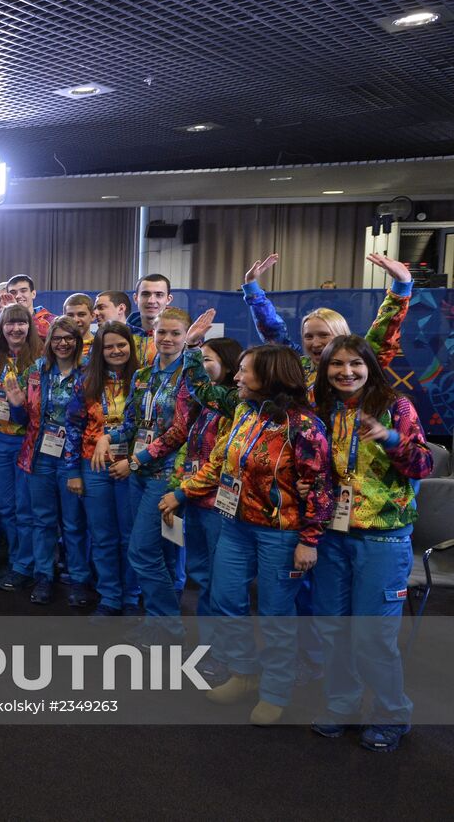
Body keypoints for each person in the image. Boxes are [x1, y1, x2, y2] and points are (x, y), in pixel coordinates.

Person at [161, 344, 334, 725]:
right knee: (225, 599)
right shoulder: (244, 411)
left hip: (281, 534)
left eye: (244, 371)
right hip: (236, 525)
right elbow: (220, 464)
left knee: (275, 614)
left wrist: (310, 539)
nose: (236, 377)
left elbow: (320, 488)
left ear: (270, 376)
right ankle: (243, 673)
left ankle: (275, 689)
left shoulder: (304, 426)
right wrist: (182, 491)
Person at [310, 336, 432, 751]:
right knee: (333, 628)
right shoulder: (323, 408)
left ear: (370, 366)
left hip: (383, 538)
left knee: (372, 636)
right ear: (325, 369)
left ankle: (390, 714)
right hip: (332, 536)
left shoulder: (394, 406)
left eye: (355, 364)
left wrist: (388, 437)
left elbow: (424, 463)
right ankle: (342, 705)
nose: (346, 372)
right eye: (336, 365)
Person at [117, 307, 195, 639]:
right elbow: (132, 424)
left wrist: (135, 460)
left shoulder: (190, 376)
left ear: (187, 337)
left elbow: (180, 431)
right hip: (139, 474)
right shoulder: (143, 376)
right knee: (157, 549)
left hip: (168, 475)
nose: (167, 338)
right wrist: (111, 438)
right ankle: (157, 618)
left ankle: (168, 624)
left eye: (176, 333)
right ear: (153, 334)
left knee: (144, 550)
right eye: (162, 332)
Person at [169, 334, 242, 681]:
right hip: (197, 500)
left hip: (217, 504)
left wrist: (180, 493)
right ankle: (208, 646)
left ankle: (222, 654)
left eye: (208, 358)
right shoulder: (207, 406)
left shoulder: (231, 405)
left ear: (229, 366)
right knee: (201, 577)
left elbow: (218, 463)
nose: (201, 365)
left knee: (218, 582)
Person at [5, 317, 89, 605]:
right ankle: (43, 576)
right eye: (57, 338)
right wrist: (16, 405)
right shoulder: (37, 371)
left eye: (69, 338)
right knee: (42, 520)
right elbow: (23, 419)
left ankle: (78, 579)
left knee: (74, 523)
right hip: (39, 455)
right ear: (49, 342)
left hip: (73, 459)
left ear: (77, 341)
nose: (63, 343)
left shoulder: (88, 372)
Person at [241, 252, 411, 389]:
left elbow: (383, 331)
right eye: (308, 336)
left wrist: (402, 285)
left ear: (341, 335)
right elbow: (273, 331)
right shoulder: (298, 364)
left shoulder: (360, 362)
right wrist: (251, 286)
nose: (315, 343)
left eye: (323, 335)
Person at [66, 321, 141, 619]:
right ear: (99, 350)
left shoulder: (143, 379)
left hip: (130, 466)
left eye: (121, 345)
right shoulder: (85, 381)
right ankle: (109, 596)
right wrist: (73, 471)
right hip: (92, 466)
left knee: (130, 536)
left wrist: (133, 461)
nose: (115, 350)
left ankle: (131, 596)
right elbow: (73, 427)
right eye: (108, 346)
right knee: (102, 536)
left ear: (130, 347)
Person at [0, 304, 42, 591]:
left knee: (25, 508)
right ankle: (16, 559)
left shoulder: (40, 361)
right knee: (6, 507)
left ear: (29, 327)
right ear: (2, 327)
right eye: (10, 323)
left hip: (27, 441)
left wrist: (20, 404)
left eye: (21, 323)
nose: (16, 328)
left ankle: (26, 564)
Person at [128, 274, 173, 364]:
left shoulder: (182, 337)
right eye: (145, 294)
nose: (151, 301)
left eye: (159, 295)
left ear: (168, 299)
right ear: (136, 298)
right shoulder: (123, 335)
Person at [5, 274, 55, 339]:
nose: (18, 296)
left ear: (33, 294)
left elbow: (45, 337)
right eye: (13, 292)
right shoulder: (4, 323)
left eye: (23, 291)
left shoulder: (51, 320)